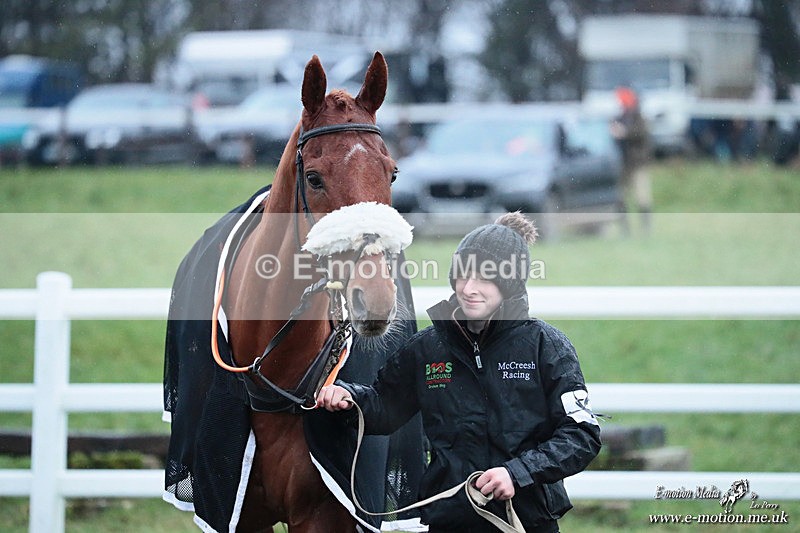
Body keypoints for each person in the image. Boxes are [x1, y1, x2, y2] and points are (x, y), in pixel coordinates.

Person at [318, 213, 602, 533]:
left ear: (509, 283)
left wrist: (517, 473)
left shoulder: (545, 346)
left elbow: (581, 437)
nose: (468, 289)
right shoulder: (427, 349)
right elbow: (383, 408)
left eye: (483, 278)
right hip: (448, 519)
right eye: (461, 276)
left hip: (525, 519)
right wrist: (349, 397)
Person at [610, 86, 653, 234]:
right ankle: (625, 229)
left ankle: (646, 228)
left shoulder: (638, 117)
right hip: (624, 164)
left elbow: (641, 133)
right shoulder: (621, 116)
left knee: (642, 197)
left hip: (638, 164)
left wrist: (625, 133)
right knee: (621, 197)